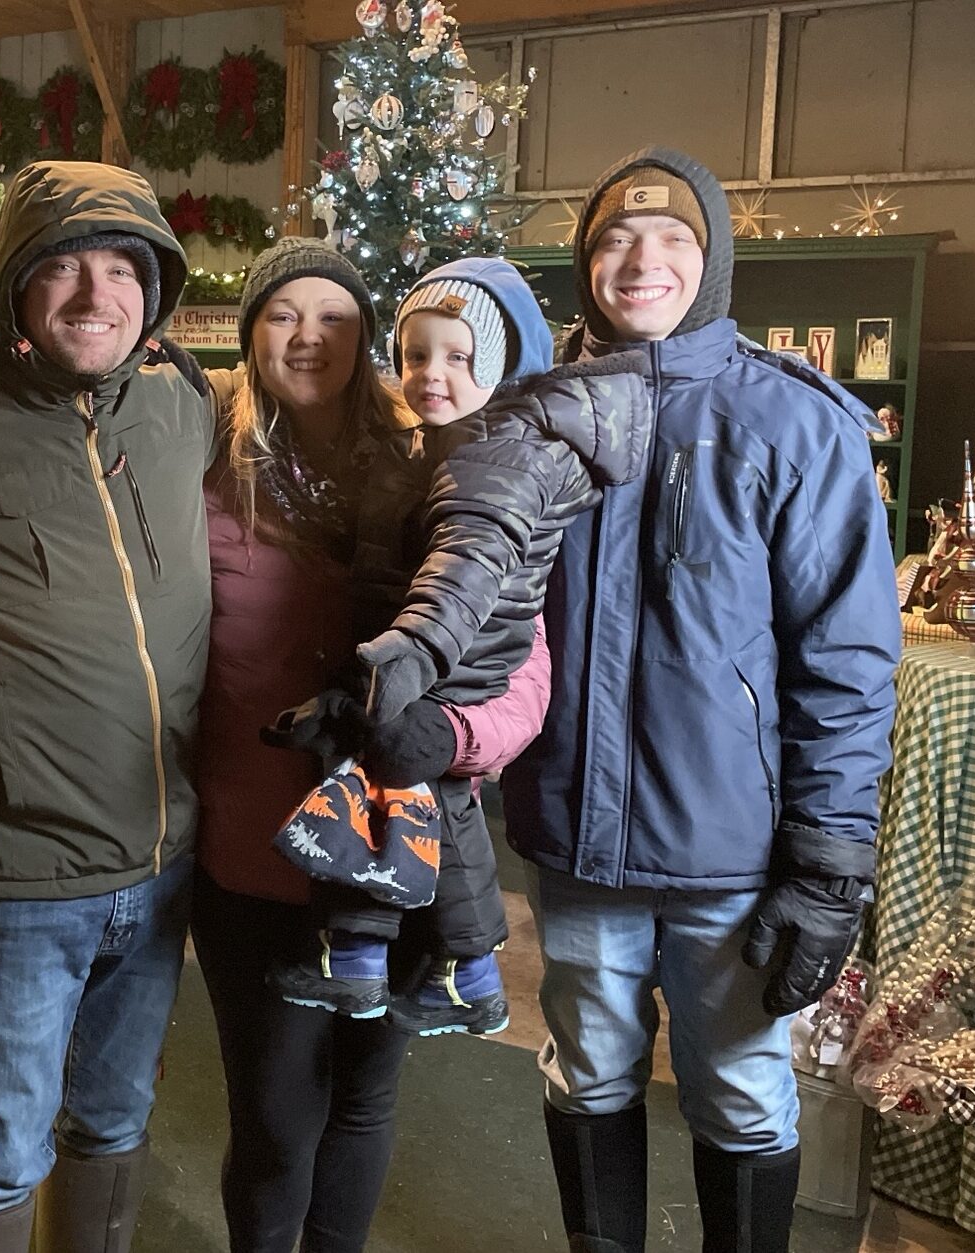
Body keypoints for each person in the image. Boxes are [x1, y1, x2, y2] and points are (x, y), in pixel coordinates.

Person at [500, 147, 902, 1253]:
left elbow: (846, 658)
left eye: (672, 238)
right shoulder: (530, 420)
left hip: (734, 856)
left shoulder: (793, 423)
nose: (643, 261)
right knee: (587, 1071)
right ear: (585, 263)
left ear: (712, 258)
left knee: (738, 1089)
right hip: (575, 840)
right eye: (615, 240)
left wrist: (828, 858)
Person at [191, 236, 553, 1253]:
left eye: (334, 317)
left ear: (369, 341)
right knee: (275, 1121)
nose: (308, 337)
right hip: (258, 851)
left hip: (398, 850)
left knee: (362, 1099)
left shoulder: (431, 459)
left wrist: (453, 734)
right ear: (249, 334)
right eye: (282, 314)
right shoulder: (204, 464)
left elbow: (524, 662)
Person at [0, 161, 214, 1253]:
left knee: (114, 1123)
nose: (93, 294)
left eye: (121, 269)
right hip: (16, 883)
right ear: (15, 293)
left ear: (153, 293)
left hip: (162, 864)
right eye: (63, 267)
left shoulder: (180, 406)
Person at [266, 256, 650, 1038]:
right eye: (415, 355)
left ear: (504, 366)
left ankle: (419, 966)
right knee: (411, 800)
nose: (431, 374)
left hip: (449, 654)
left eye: (459, 357)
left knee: (400, 793)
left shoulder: (492, 456)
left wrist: (410, 652)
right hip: (434, 651)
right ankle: (421, 968)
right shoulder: (441, 444)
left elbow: (464, 568)